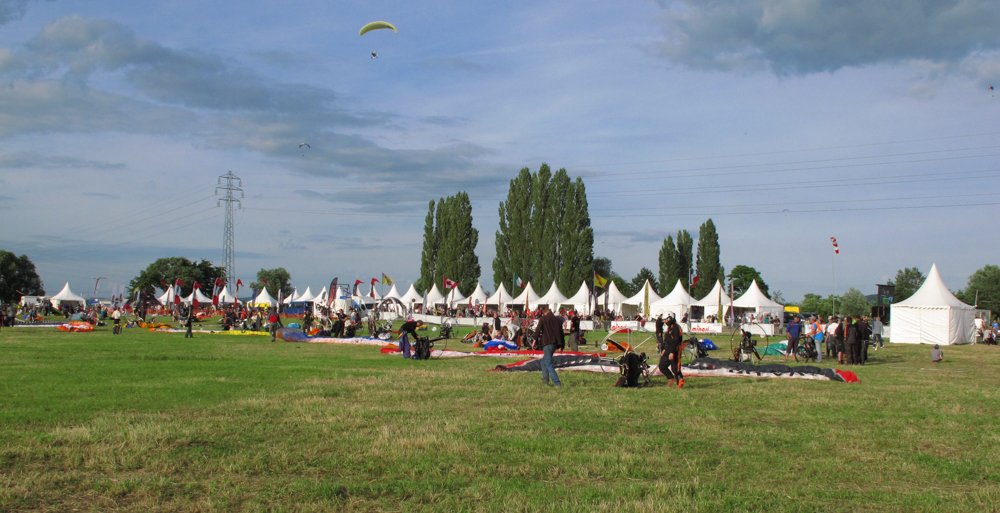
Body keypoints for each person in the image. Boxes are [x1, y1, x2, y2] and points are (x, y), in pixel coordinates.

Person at [536, 306, 565, 387]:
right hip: (555, 344)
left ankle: (557, 383)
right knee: (543, 362)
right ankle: (545, 381)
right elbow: (561, 334)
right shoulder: (558, 320)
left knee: (549, 363)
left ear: (545, 313)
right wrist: (562, 346)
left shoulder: (543, 319)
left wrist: (534, 340)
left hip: (547, 343)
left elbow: (538, 330)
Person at [659, 316, 684, 388]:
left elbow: (676, 341)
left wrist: (672, 352)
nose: (664, 322)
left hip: (675, 350)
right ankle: (671, 379)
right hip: (668, 349)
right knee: (662, 366)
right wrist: (664, 348)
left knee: (675, 368)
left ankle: (680, 383)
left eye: (665, 320)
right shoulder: (669, 327)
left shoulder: (675, 327)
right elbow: (667, 339)